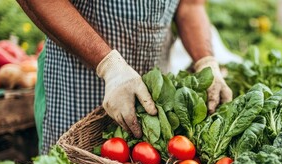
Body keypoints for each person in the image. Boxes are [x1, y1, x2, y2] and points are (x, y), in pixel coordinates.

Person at [16, 0, 233, 154]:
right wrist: (108, 66)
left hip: (154, 101)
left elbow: (191, 4)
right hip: (76, 86)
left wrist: (206, 61)